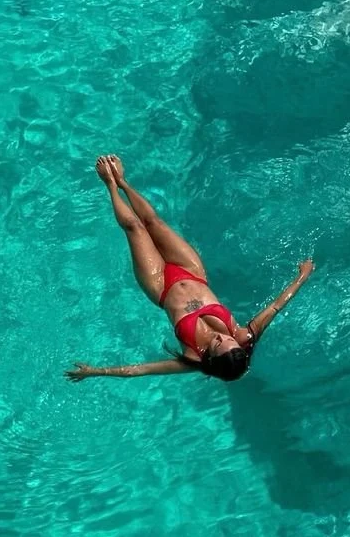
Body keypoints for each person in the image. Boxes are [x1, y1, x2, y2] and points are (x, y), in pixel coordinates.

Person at [66, 155, 315, 383]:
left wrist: (95, 371)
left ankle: (109, 184)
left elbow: (139, 370)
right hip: (191, 271)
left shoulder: (193, 358)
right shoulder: (243, 337)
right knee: (154, 222)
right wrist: (302, 276)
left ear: (211, 358)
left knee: (135, 227)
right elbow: (275, 306)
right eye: (228, 341)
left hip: (160, 285)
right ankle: (123, 181)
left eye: (219, 344)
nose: (223, 338)